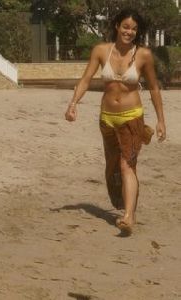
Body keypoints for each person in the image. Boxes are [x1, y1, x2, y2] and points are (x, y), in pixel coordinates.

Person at [65, 8, 166, 235]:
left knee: (127, 164)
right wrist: (73, 104)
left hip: (132, 117)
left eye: (133, 29)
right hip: (107, 119)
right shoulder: (101, 51)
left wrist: (161, 120)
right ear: (116, 26)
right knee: (112, 167)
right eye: (125, 27)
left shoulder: (143, 55)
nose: (129, 32)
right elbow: (85, 80)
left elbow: (154, 88)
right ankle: (126, 205)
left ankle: (128, 217)